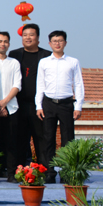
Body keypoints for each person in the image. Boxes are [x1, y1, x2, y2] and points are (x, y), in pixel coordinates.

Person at [35, 30, 84, 184]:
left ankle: (67, 171)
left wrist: (78, 106)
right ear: (50, 44)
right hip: (48, 103)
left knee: (68, 139)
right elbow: (40, 84)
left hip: (66, 103)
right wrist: (38, 105)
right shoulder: (44, 62)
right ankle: (49, 172)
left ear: (65, 43)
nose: (57, 43)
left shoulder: (73, 62)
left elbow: (78, 84)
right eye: (54, 41)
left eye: (60, 41)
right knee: (48, 139)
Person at [8, 23, 52, 166]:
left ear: (38, 38)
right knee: (19, 138)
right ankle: (20, 169)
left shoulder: (46, 56)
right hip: (19, 104)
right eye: (25, 35)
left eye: (31, 35)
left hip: (39, 105)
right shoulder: (14, 54)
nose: (28, 38)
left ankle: (44, 168)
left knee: (41, 138)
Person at [0, 32, 22, 182]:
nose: (2, 44)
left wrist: (4, 102)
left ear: (9, 44)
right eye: (0, 41)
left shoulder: (14, 63)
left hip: (12, 107)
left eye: (5, 41)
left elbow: (17, 85)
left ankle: (11, 173)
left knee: (12, 142)